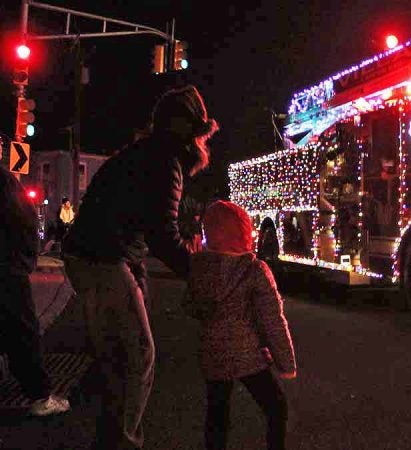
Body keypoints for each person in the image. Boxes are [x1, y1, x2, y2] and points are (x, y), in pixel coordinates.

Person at [62, 85, 219, 450]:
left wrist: (139, 274)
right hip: (101, 258)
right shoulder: (166, 161)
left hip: (98, 256)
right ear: (188, 129)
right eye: (199, 132)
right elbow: (162, 235)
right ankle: (123, 442)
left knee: (119, 358)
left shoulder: (149, 154)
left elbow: (138, 223)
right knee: (139, 355)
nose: (201, 142)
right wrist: (200, 276)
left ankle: (111, 437)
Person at [183, 200, 296, 450]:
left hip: (213, 356)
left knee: (217, 412)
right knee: (276, 407)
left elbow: (190, 307)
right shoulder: (254, 269)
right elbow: (272, 321)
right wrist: (286, 364)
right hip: (248, 356)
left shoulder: (198, 267)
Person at [0, 165, 71, 416]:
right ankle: (40, 395)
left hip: (9, 261)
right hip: (8, 265)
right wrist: (25, 260)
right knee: (22, 330)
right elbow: (22, 219)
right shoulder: (5, 183)